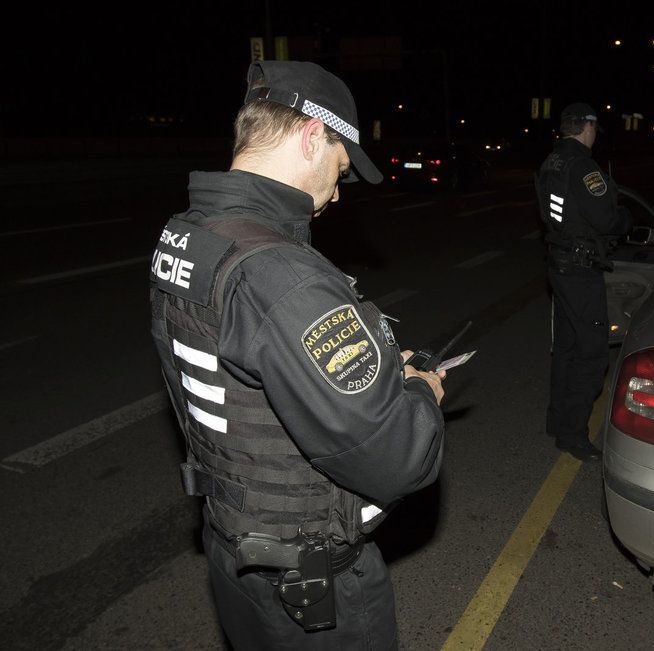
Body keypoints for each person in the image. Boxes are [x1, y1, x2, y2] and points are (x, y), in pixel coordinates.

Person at [149, 60, 446, 649]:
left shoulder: (186, 235)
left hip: (233, 547)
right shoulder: (284, 276)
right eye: (339, 169)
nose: (337, 194)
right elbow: (395, 458)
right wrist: (418, 394)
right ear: (313, 135)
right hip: (308, 583)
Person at [535, 102, 631, 461]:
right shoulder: (583, 166)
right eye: (594, 129)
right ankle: (573, 435)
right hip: (580, 270)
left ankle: (557, 421)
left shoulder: (552, 161)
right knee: (591, 355)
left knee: (566, 349)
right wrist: (626, 217)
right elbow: (605, 220)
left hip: (559, 265)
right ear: (587, 127)